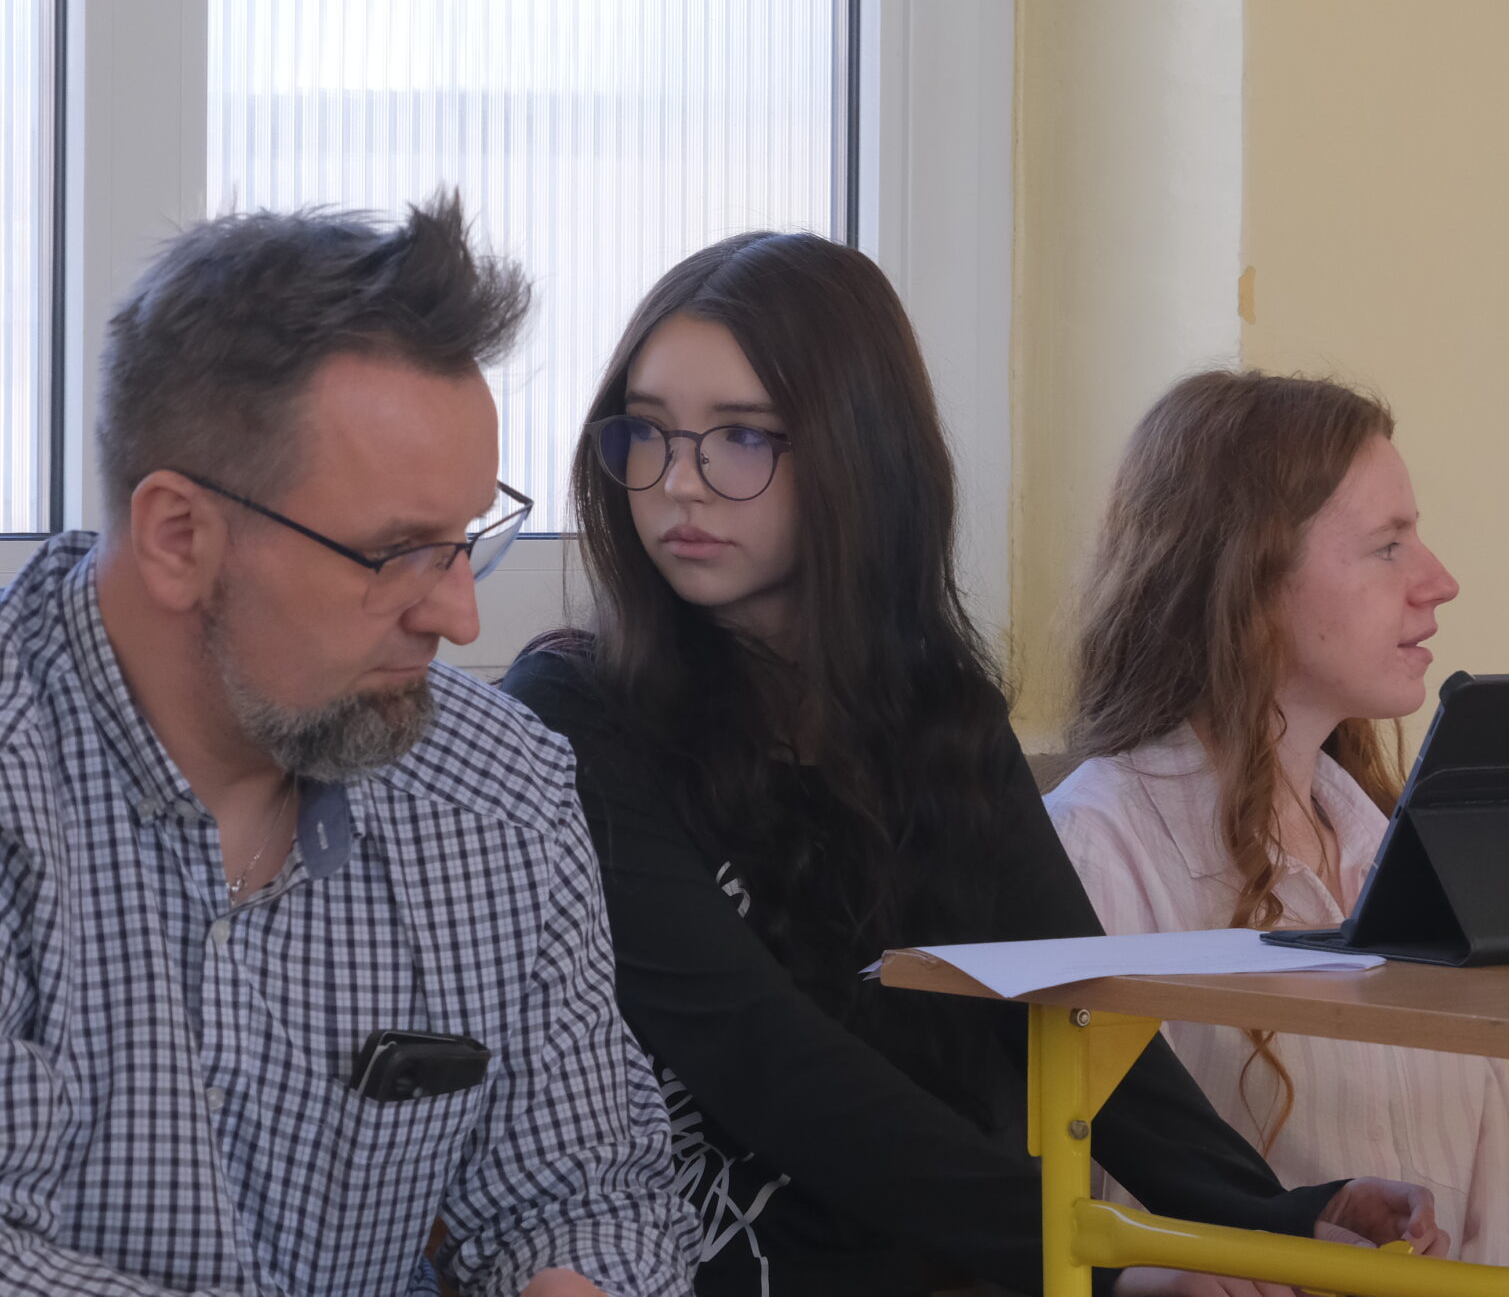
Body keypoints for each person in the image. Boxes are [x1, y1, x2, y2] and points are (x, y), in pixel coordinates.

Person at [500, 232, 1444, 1297]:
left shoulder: (934, 710)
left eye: (742, 437)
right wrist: (1111, 1258)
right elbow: (765, 1058)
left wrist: (1268, 1216)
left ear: (860, 454)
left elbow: (1074, 1001)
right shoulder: (569, 716)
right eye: (647, 433)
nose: (679, 483)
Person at [0, 197, 696, 1297]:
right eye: (398, 553)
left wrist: (578, 1275)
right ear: (179, 536)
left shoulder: (499, 787)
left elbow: (591, 1187)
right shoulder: (19, 779)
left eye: (467, 538)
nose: (459, 615)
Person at [1045, 371, 1509, 1264]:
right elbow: (1075, 1232)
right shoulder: (1098, 849)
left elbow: (1498, 1235)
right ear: (1251, 578)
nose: (1439, 582)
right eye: (1388, 546)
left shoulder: (1418, 858)